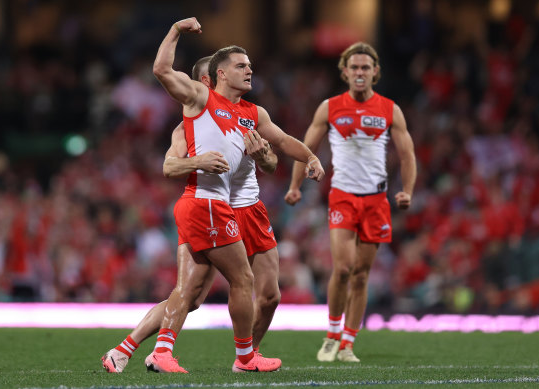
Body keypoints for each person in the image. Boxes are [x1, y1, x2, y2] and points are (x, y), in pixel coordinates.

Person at [142, 17, 325, 373]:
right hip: (209, 204)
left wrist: (311, 156)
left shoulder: (252, 113)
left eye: (251, 65)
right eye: (241, 66)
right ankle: (237, 357)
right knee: (206, 289)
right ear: (219, 74)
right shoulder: (200, 98)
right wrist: (176, 30)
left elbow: (281, 146)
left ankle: (230, 354)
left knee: (263, 294)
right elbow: (162, 69)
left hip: (241, 207)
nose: (249, 70)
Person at [101, 56, 282, 373]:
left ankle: (124, 350)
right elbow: (169, 166)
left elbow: (270, 159)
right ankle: (245, 358)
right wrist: (199, 163)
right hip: (207, 210)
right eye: (210, 80)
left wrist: (270, 157)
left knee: (189, 295)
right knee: (241, 281)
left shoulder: (238, 117)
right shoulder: (190, 124)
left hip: (223, 209)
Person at [285, 42, 416, 362]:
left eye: (365, 68)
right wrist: (294, 186)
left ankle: (348, 344)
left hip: (376, 200)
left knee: (360, 274)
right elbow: (305, 148)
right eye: (354, 67)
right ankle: (331, 335)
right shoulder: (329, 108)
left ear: (375, 72)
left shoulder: (390, 109)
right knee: (342, 269)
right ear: (344, 72)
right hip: (342, 197)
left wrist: (407, 190)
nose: (360, 72)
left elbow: (407, 153)